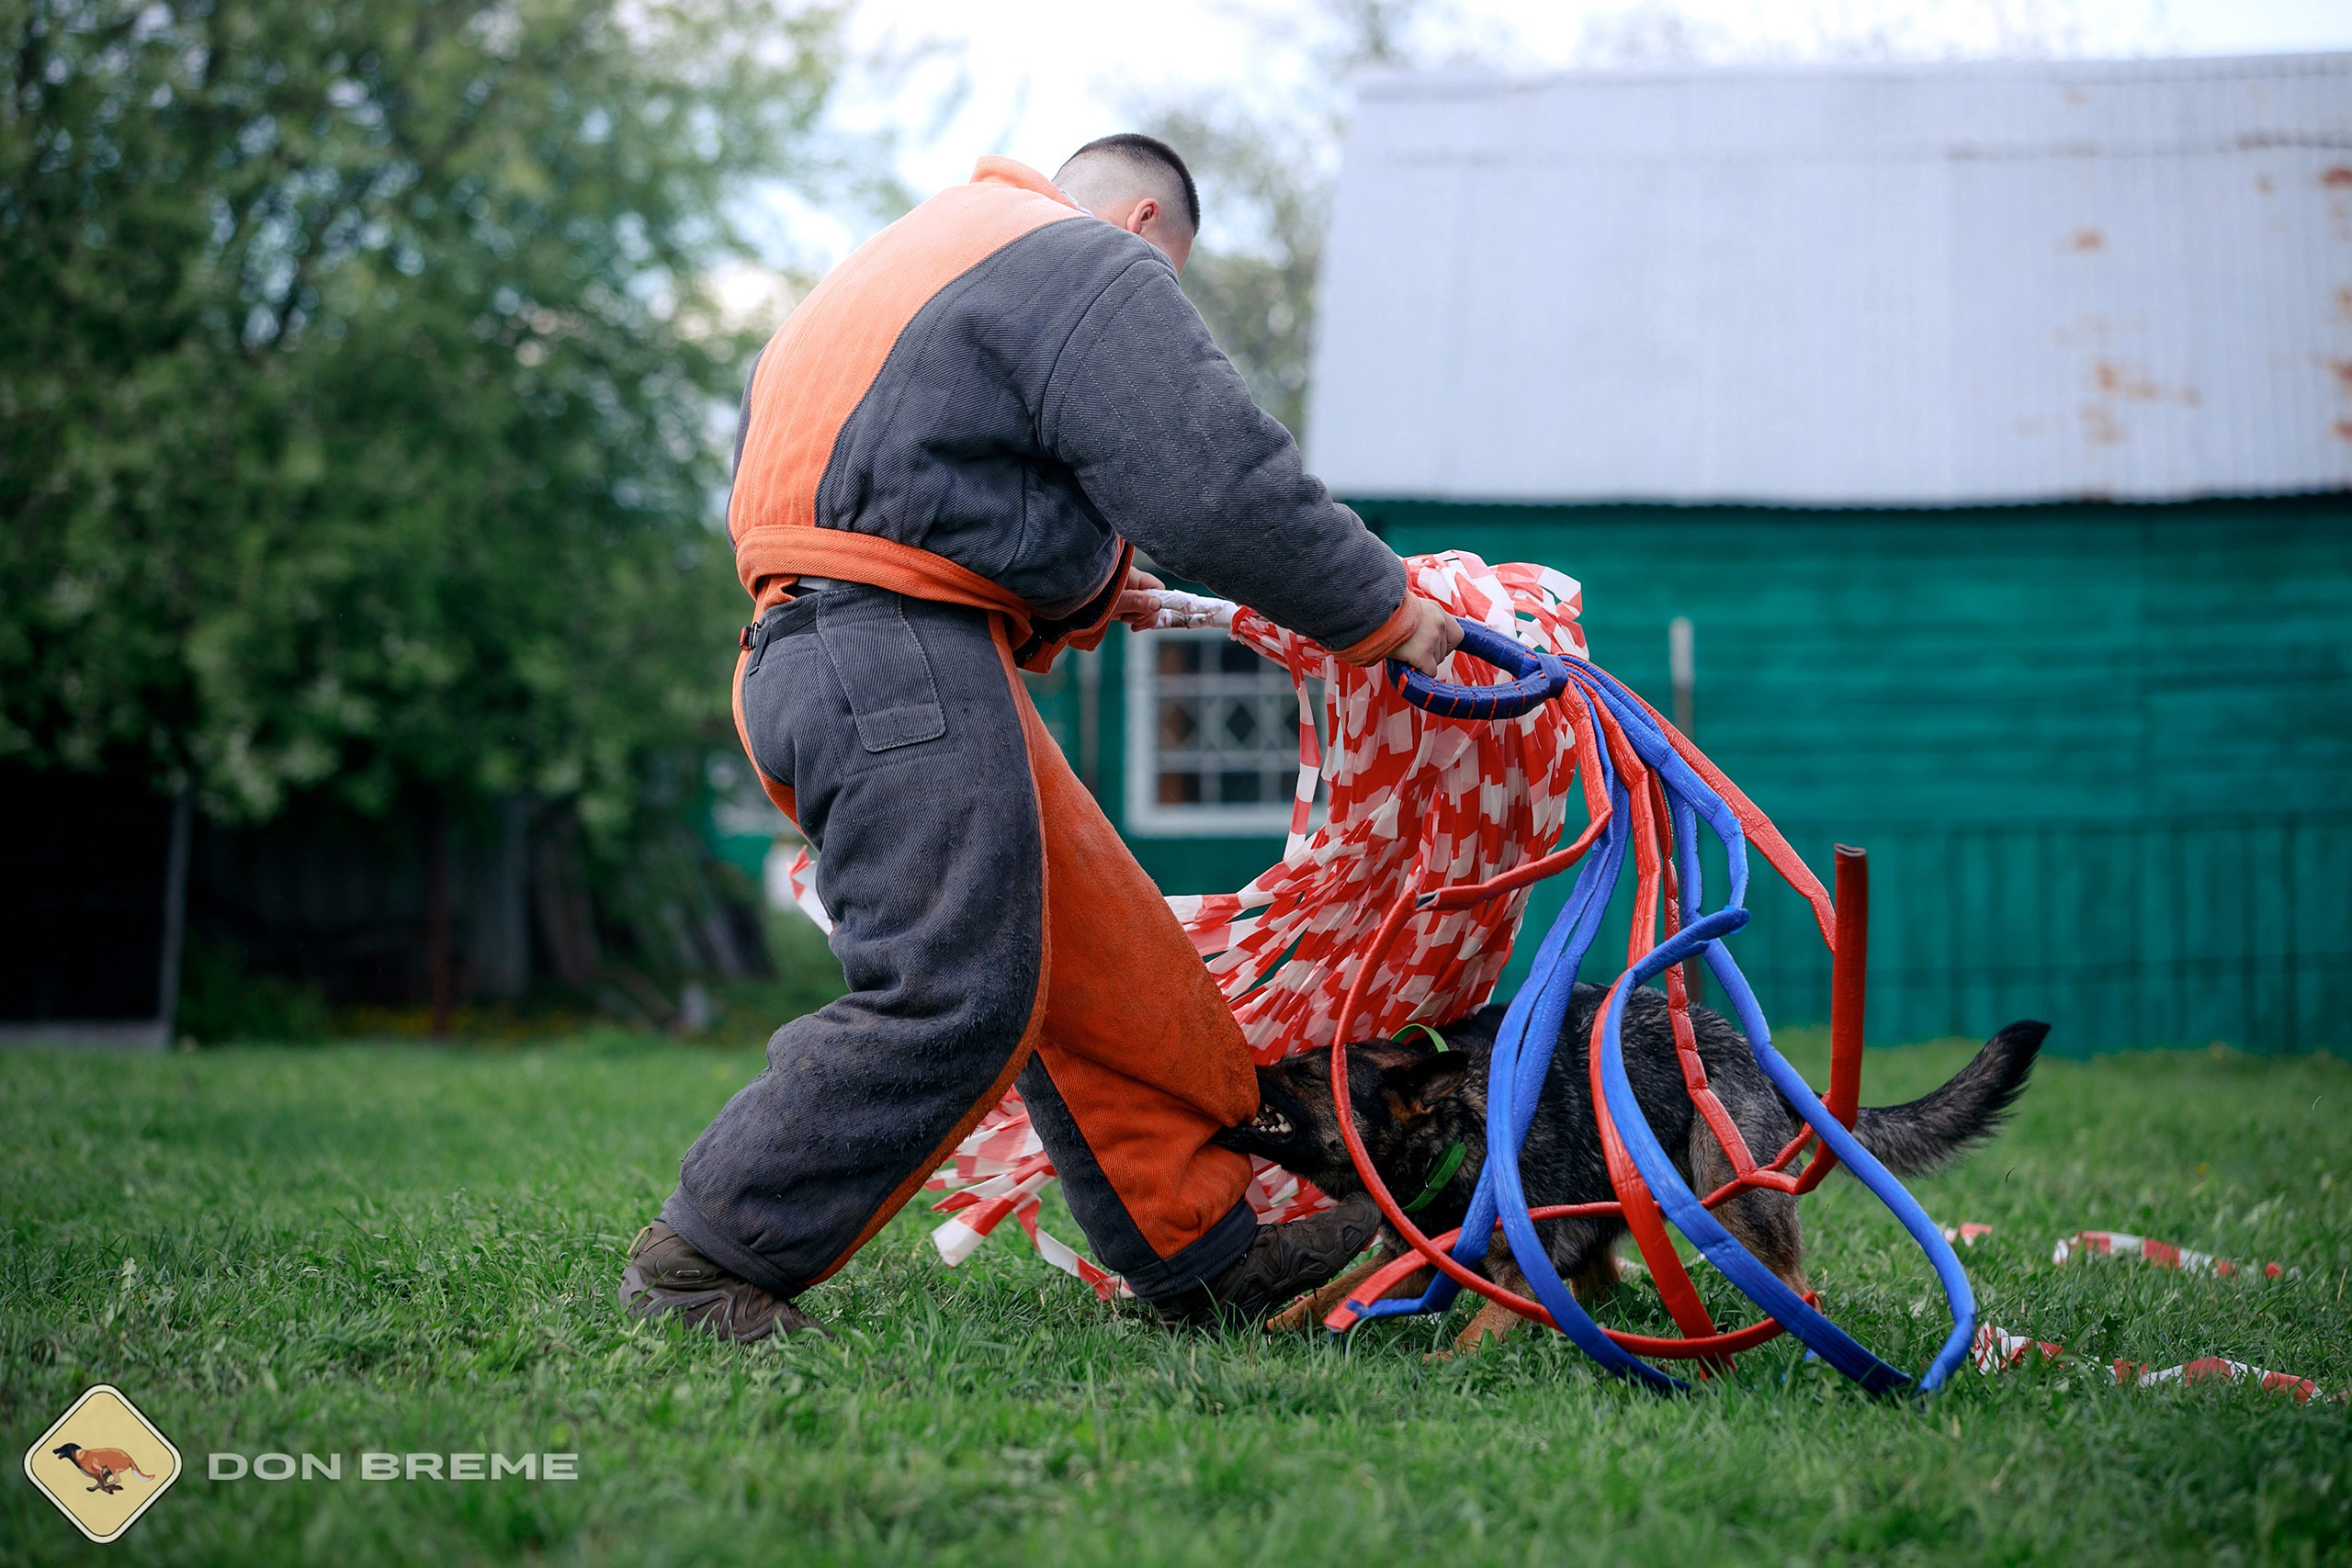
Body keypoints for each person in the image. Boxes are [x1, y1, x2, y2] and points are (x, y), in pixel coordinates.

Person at [619, 134, 1463, 1338]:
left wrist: (1066, 585)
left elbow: (894, 479)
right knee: (954, 991)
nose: (1158, 311)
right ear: (1138, 225)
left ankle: (1199, 1261)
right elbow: (1215, 484)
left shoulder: (917, 255)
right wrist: (1387, 612)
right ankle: (704, 1264)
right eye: (1166, 281)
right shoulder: (1087, 263)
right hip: (896, 654)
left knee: (1106, 969)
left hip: (827, 647)